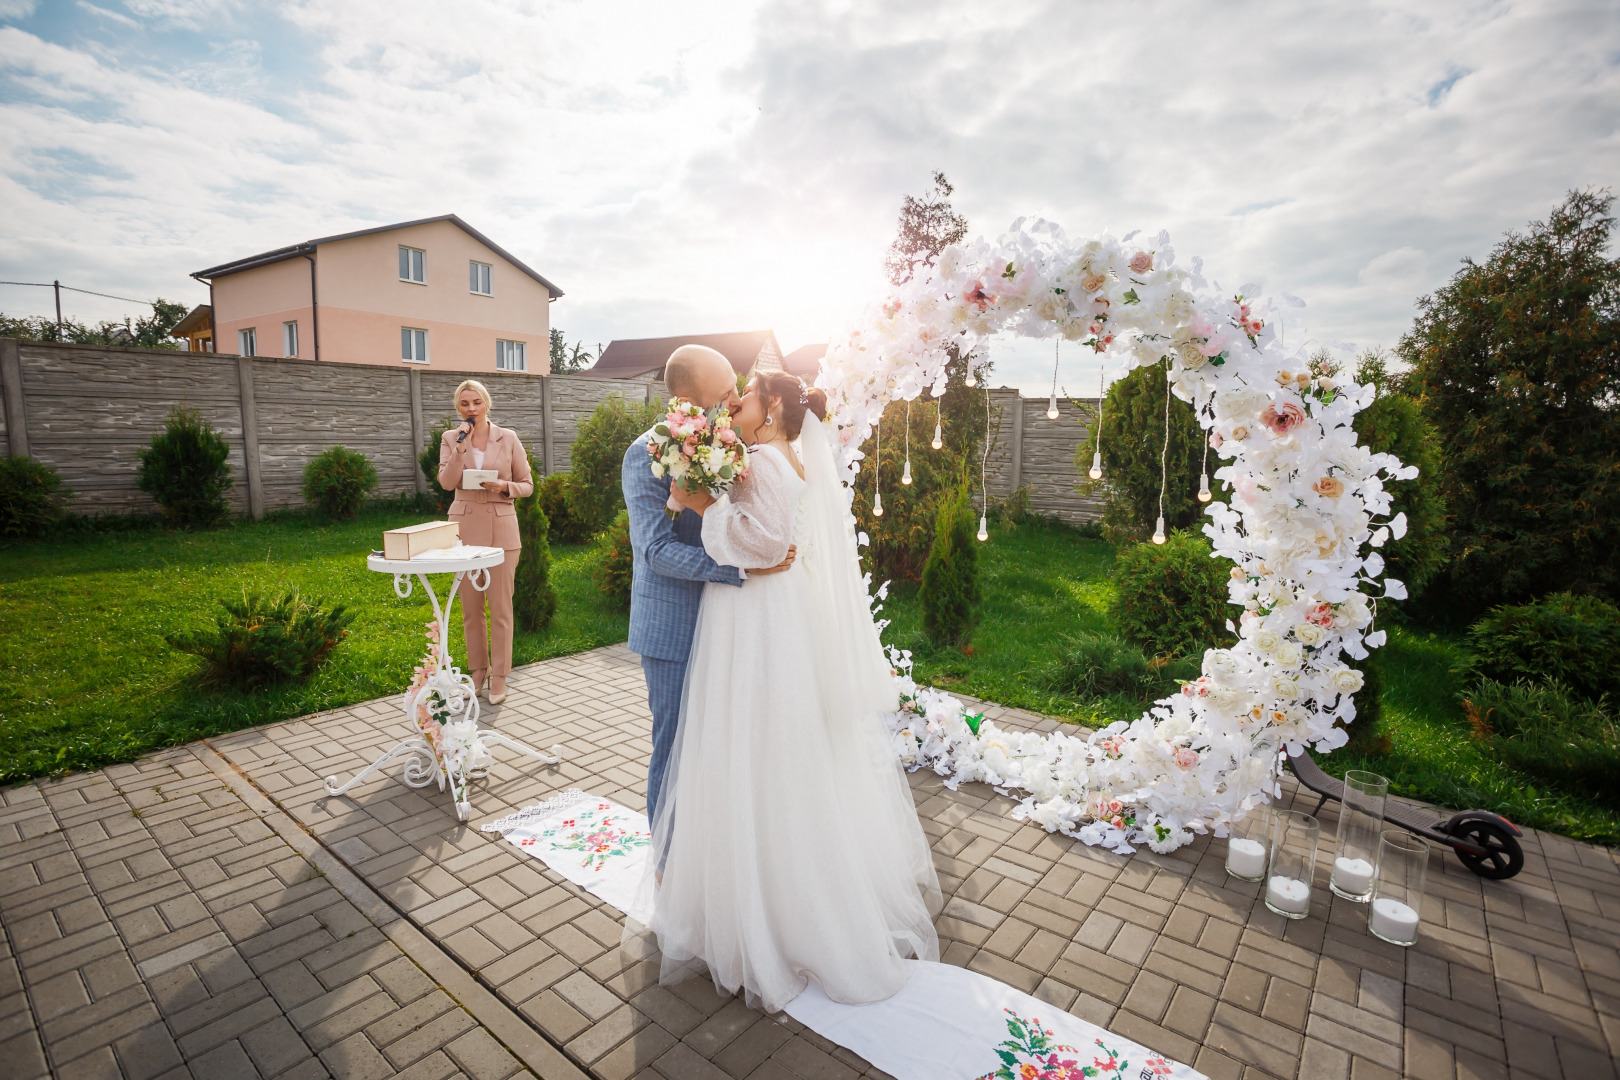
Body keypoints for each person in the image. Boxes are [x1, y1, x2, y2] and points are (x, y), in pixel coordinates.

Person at [631, 369, 942, 1013]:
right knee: (749, 746)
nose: (733, 402)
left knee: (754, 745)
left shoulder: (766, 460)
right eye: (726, 392)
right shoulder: (768, 454)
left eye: (742, 395)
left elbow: (767, 543)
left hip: (758, 618)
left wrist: (703, 507)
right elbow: (755, 543)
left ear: (770, 408)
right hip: (756, 610)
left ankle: (767, 908)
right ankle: (736, 889)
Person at [621, 345, 796, 823]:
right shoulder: (646, 454)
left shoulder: (732, 447)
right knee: (676, 745)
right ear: (690, 402)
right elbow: (655, 551)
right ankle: (665, 860)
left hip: (728, 623)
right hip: (672, 626)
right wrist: (738, 569)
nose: (736, 399)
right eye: (725, 393)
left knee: (717, 748)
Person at [437, 379, 532, 705]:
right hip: (463, 532)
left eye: (476, 402)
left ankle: (501, 675)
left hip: (502, 530)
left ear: (486, 403)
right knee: (471, 609)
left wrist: (504, 486)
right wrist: (461, 450)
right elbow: (447, 482)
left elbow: (528, 484)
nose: (471, 409)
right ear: (458, 408)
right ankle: (478, 670)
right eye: (465, 404)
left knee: (501, 608)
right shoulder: (452, 438)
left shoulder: (508, 438)